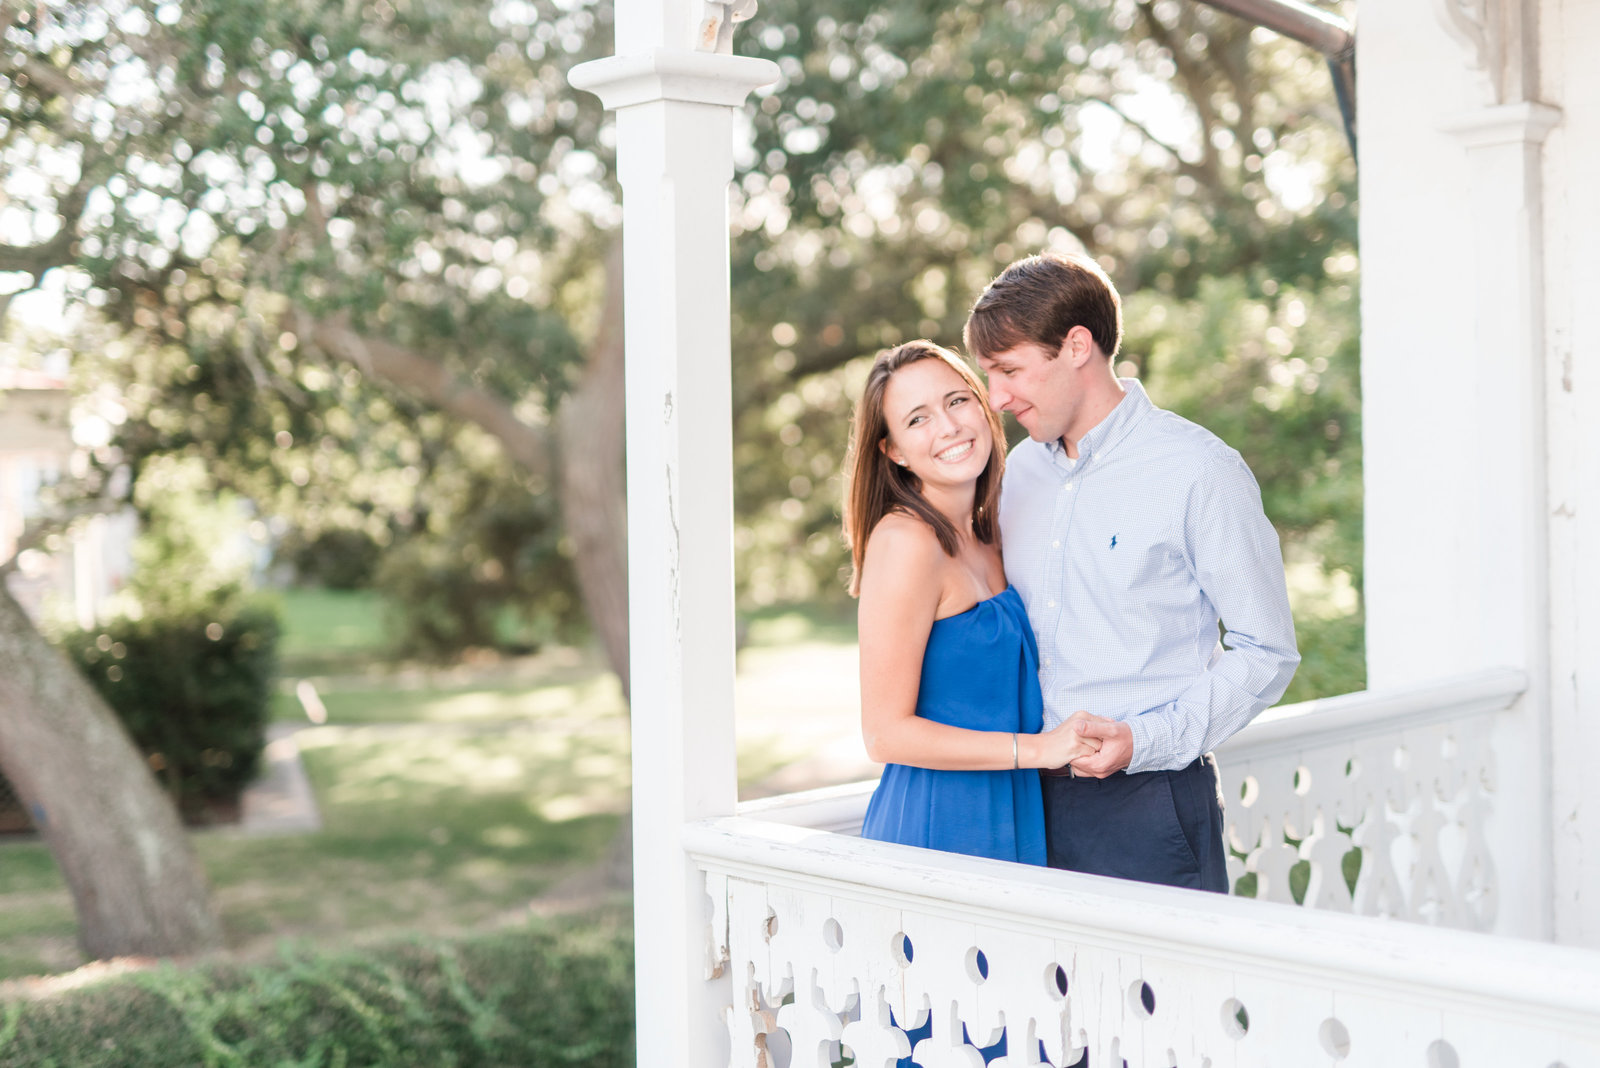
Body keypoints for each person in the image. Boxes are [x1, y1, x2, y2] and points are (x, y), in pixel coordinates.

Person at [964, 252, 1301, 893]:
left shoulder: (1199, 469)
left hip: (1149, 805)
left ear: (1077, 346)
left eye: (1009, 370)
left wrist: (1144, 741)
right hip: (1019, 805)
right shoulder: (1015, 477)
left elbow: (1267, 651)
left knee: (1162, 996)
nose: (998, 398)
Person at [843, 340, 1101, 866]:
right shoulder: (906, 542)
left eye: (957, 401)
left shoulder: (996, 532)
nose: (948, 426)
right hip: (938, 827)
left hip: (1014, 813)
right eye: (917, 419)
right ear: (893, 450)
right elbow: (884, 734)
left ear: (984, 406)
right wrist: (1039, 750)